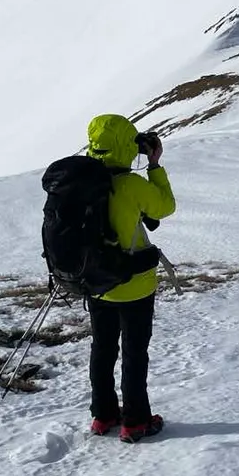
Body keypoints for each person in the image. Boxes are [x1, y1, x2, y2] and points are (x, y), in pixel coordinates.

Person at [82, 114, 176, 442]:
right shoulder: (132, 185)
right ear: (125, 145)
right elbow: (164, 208)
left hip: (95, 282)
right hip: (133, 284)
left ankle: (103, 415)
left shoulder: (82, 181)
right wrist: (154, 164)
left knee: (103, 348)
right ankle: (135, 421)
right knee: (134, 352)